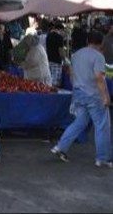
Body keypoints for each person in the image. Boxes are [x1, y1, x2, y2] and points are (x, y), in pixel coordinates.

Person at [51, 31, 111, 167]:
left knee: (80, 122)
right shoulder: (98, 56)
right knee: (102, 125)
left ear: (87, 41)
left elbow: (71, 75)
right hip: (93, 95)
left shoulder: (76, 55)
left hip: (78, 93)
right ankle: (103, 158)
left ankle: (61, 146)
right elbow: (99, 78)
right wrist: (105, 96)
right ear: (101, 43)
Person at [46, 22, 67, 87]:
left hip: (48, 60)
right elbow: (60, 50)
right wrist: (64, 60)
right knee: (55, 82)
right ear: (60, 29)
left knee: (49, 80)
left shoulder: (48, 36)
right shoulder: (59, 37)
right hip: (56, 61)